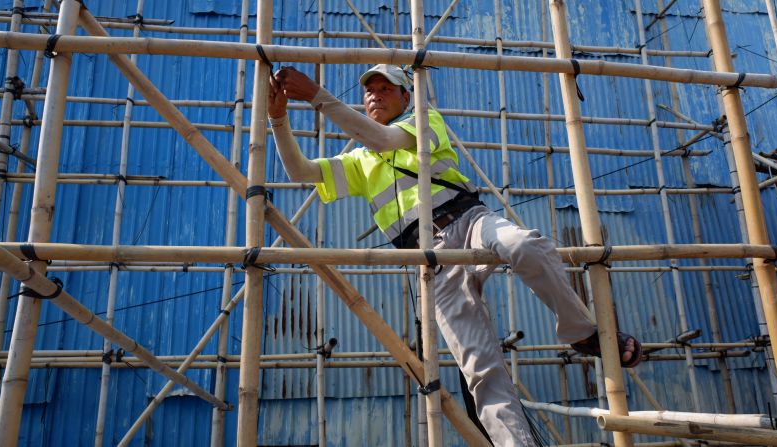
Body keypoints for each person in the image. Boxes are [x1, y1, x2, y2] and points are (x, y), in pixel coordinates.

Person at [267, 64, 642, 446]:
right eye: (369, 91)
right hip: (431, 259)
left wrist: (317, 95)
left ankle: (581, 333)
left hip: (469, 221)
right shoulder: (360, 162)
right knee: (481, 370)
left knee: (524, 245)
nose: (375, 95)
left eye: (386, 89)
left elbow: (382, 139)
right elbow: (301, 171)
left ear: (405, 98)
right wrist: (278, 119)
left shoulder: (423, 120)